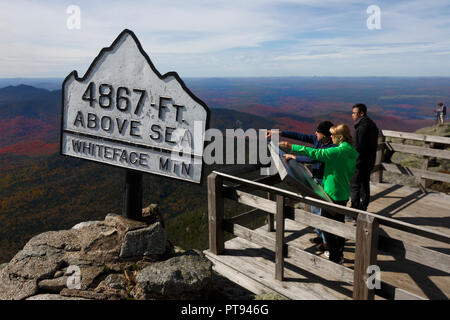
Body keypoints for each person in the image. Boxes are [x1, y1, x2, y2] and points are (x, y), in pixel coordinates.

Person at [279, 124, 359, 264]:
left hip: (332, 194)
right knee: (339, 225)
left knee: (327, 226)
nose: (331, 137)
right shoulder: (350, 150)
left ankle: (335, 256)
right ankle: (339, 254)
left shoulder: (337, 151)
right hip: (343, 192)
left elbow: (316, 154)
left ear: (340, 137)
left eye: (333, 135)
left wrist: (290, 146)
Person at [267, 121, 335, 253]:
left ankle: (327, 243)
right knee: (316, 211)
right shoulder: (318, 139)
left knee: (323, 212)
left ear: (325, 134)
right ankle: (320, 236)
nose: (315, 133)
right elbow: (300, 136)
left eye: (318, 131)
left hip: (324, 182)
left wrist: (295, 157)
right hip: (316, 179)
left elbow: (315, 158)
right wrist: (279, 132)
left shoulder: (331, 147)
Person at [350, 104, 379, 213]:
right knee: (364, 184)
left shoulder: (362, 128)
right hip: (369, 161)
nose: (352, 115)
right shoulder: (372, 125)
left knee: (355, 185)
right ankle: (363, 207)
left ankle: (354, 211)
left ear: (361, 113)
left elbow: (358, 147)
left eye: (354, 113)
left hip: (359, 162)